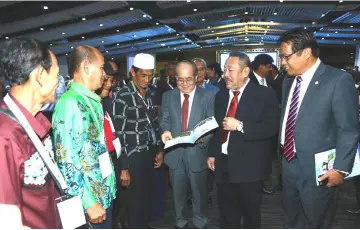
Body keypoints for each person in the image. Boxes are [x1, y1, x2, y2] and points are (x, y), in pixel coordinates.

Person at [278, 28, 359, 228]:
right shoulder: (288, 81)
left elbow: (348, 129)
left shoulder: (337, 80)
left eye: (285, 56)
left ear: (306, 52)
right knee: (291, 218)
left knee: (316, 220)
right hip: (288, 163)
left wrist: (340, 168)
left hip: (319, 170)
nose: (282, 63)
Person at [207, 52, 280, 229]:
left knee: (250, 216)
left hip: (250, 168)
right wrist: (212, 153)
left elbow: (270, 128)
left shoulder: (264, 95)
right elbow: (218, 127)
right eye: (224, 70)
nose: (225, 74)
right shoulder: (222, 95)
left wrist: (240, 126)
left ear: (245, 71)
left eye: (230, 70)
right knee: (226, 214)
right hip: (223, 164)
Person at [0, 37, 61, 228]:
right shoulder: (5, 136)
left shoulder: (34, 120)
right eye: (56, 75)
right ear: (41, 76)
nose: (59, 83)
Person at [52, 45, 116, 229]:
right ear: (87, 67)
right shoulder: (68, 103)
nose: (104, 74)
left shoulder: (93, 101)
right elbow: (65, 161)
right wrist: (88, 202)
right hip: (87, 203)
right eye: (102, 67)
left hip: (102, 194)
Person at [160, 60, 214, 229]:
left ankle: (200, 222)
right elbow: (164, 119)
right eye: (180, 80)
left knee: (199, 192)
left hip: (197, 152)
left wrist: (203, 138)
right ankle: (180, 222)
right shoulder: (168, 96)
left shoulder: (207, 96)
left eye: (189, 79)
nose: (184, 84)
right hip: (175, 153)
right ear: (175, 78)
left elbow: (212, 124)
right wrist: (165, 131)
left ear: (197, 77)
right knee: (177, 194)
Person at [112, 53, 164, 228]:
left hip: (147, 155)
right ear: (132, 72)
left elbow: (153, 125)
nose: (147, 79)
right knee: (134, 205)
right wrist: (124, 167)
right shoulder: (122, 96)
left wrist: (158, 150)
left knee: (145, 200)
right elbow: (118, 135)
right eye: (144, 75)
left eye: (151, 75)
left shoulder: (148, 94)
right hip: (132, 158)